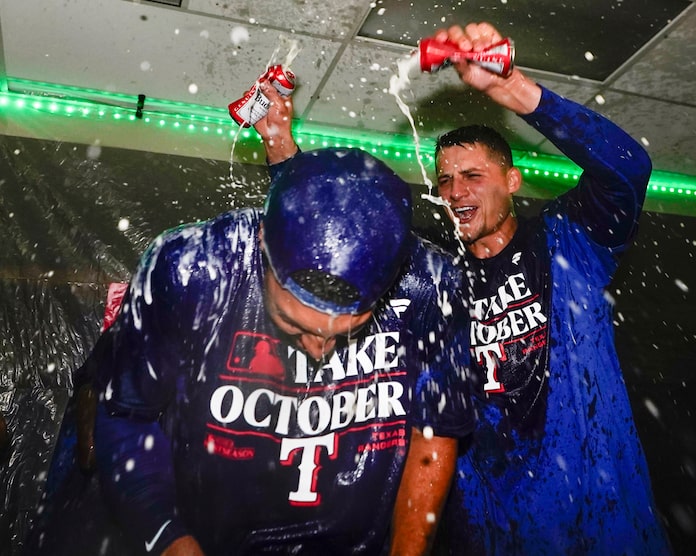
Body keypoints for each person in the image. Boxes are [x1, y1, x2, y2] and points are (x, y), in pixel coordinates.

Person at [26, 77, 474, 556]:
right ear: (263, 248)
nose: (319, 349)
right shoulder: (193, 267)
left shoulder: (432, 283)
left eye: (346, 330)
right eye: (296, 324)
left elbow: (435, 432)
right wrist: (172, 543)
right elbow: (125, 420)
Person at [426, 22, 672, 555]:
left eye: (472, 175)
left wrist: (513, 91)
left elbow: (630, 167)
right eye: (444, 180)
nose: (455, 191)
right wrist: (280, 144)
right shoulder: (437, 277)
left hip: (600, 519)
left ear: (511, 181)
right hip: (493, 527)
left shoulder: (567, 241)